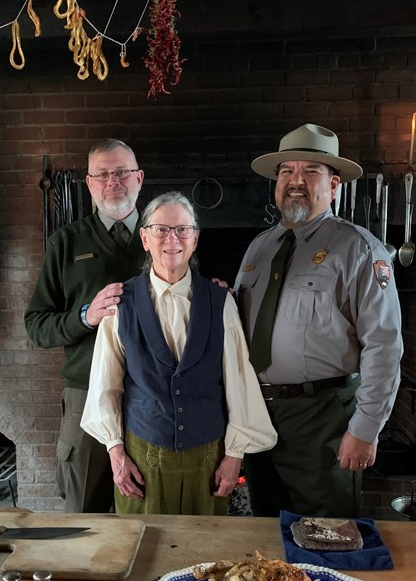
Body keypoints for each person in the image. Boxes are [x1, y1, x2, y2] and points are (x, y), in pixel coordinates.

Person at [234, 123, 402, 519]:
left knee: (327, 534)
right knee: (267, 529)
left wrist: (365, 428)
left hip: (322, 416)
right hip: (260, 414)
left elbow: (384, 344)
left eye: (311, 171)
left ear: (334, 184)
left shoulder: (358, 248)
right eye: (286, 171)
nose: (295, 181)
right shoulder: (258, 248)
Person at [80, 191, 277, 515]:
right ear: (145, 238)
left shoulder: (220, 301)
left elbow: (238, 381)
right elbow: (106, 384)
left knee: (207, 555)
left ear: (195, 239)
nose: (172, 238)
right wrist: (116, 453)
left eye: (182, 229)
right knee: (144, 552)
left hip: (208, 459)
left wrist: (234, 456)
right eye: (161, 229)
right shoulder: (120, 304)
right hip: (143, 456)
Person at [24, 139, 146, 512]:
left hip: (154, 396)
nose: (114, 182)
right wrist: (85, 316)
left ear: (139, 178)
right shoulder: (65, 243)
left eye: (122, 172)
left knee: (152, 511)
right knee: (84, 513)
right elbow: (36, 326)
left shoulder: (168, 237)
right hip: (87, 395)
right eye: (103, 174)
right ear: (90, 184)